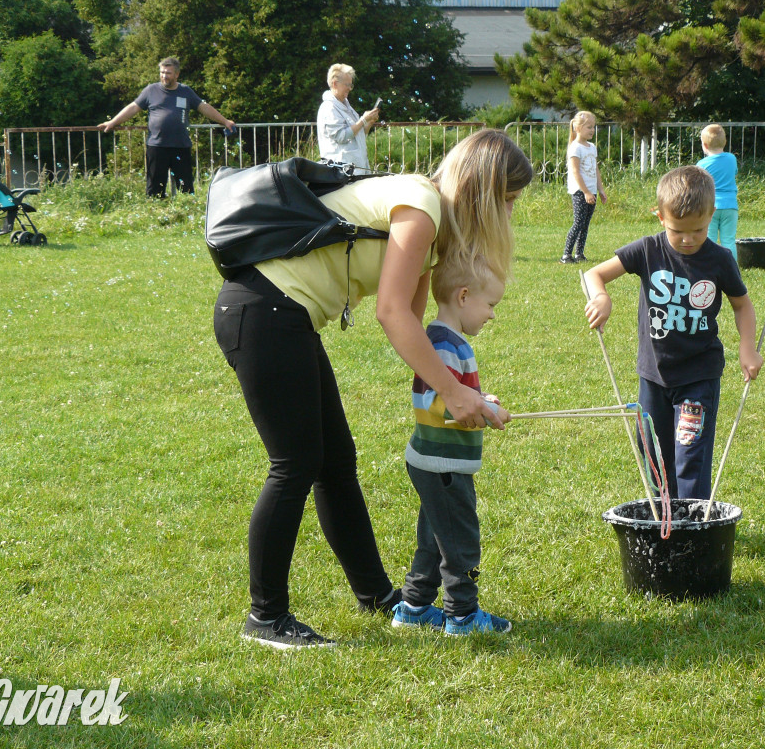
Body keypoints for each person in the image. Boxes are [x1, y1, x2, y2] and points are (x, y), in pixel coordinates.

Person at [213, 129, 533, 648]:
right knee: (294, 464)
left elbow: (413, 325)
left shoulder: (433, 226)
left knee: (336, 463)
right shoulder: (421, 206)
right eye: (510, 200)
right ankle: (266, 617)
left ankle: (376, 595)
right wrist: (454, 394)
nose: (511, 214)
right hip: (263, 313)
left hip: (286, 318)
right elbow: (390, 313)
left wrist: (462, 392)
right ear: (485, 192)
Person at [582, 165, 763, 501]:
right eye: (678, 231)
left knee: (690, 456)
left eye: (699, 229)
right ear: (660, 217)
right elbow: (595, 274)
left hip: (698, 376)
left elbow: (742, 305)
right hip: (653, 376)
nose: (688, 239)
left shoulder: (720, 260)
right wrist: (602, 297)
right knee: (655, 456)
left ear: (711, 215)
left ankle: (691, 523)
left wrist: (747, 348)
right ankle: (664, 519)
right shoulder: (647, 250)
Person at [391, 255, 512, 635]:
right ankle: (462, 615)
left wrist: (481, 399)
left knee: (435, 538)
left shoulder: (446, 340)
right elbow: (438, 404)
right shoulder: (444, 344)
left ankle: (413, 607)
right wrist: (485, 409)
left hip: (436, 462)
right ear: (463, 296)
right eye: (489, 304)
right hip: (442, 465)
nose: (491, 314)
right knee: (460, 541)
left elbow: (456, 394)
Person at [98, 57, 236, 198]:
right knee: (154, 192)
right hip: (157, 147)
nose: (164, 76)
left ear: (176, 74)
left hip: (181, 146)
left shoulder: (186, 91)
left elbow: (204, 107)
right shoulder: (151, 90)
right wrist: (112, 122)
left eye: (168, 73)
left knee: (186, 190)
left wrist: (225, 121)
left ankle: (185, 211)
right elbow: (133, 108)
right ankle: (156, 211)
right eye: (162, 72)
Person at [560, 110, 606, 264]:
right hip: (580, 191)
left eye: (593, 127)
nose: (592, 130)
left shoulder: (591, 147)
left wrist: (600, 190)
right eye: (589, 127)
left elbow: (595, 170)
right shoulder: (575, 147)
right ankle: (566, 255)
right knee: (578, 223)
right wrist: (585, 192)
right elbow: (575, 171)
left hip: (591, 191)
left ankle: (579, 254)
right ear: (578, 128)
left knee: (585, 224)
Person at [317, 64, 380, 173]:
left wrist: (368, 123)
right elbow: (342, 136)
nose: (350, 88)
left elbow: (357, 135)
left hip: (357, 168)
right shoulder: (329, 108)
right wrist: (363, 120)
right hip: (341, 172)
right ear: (335, 84)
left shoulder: (346, 106)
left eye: (351, 85)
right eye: (347, 85)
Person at [696, 124, 738, 258]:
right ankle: (731, 266)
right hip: (730, 206)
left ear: (705, 145)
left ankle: (709, 265)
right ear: (724, 142)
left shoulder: (701, 165)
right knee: (729, 240)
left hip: (709, 206)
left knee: (709, 239)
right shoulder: (732, 159)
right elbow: (734, 172)